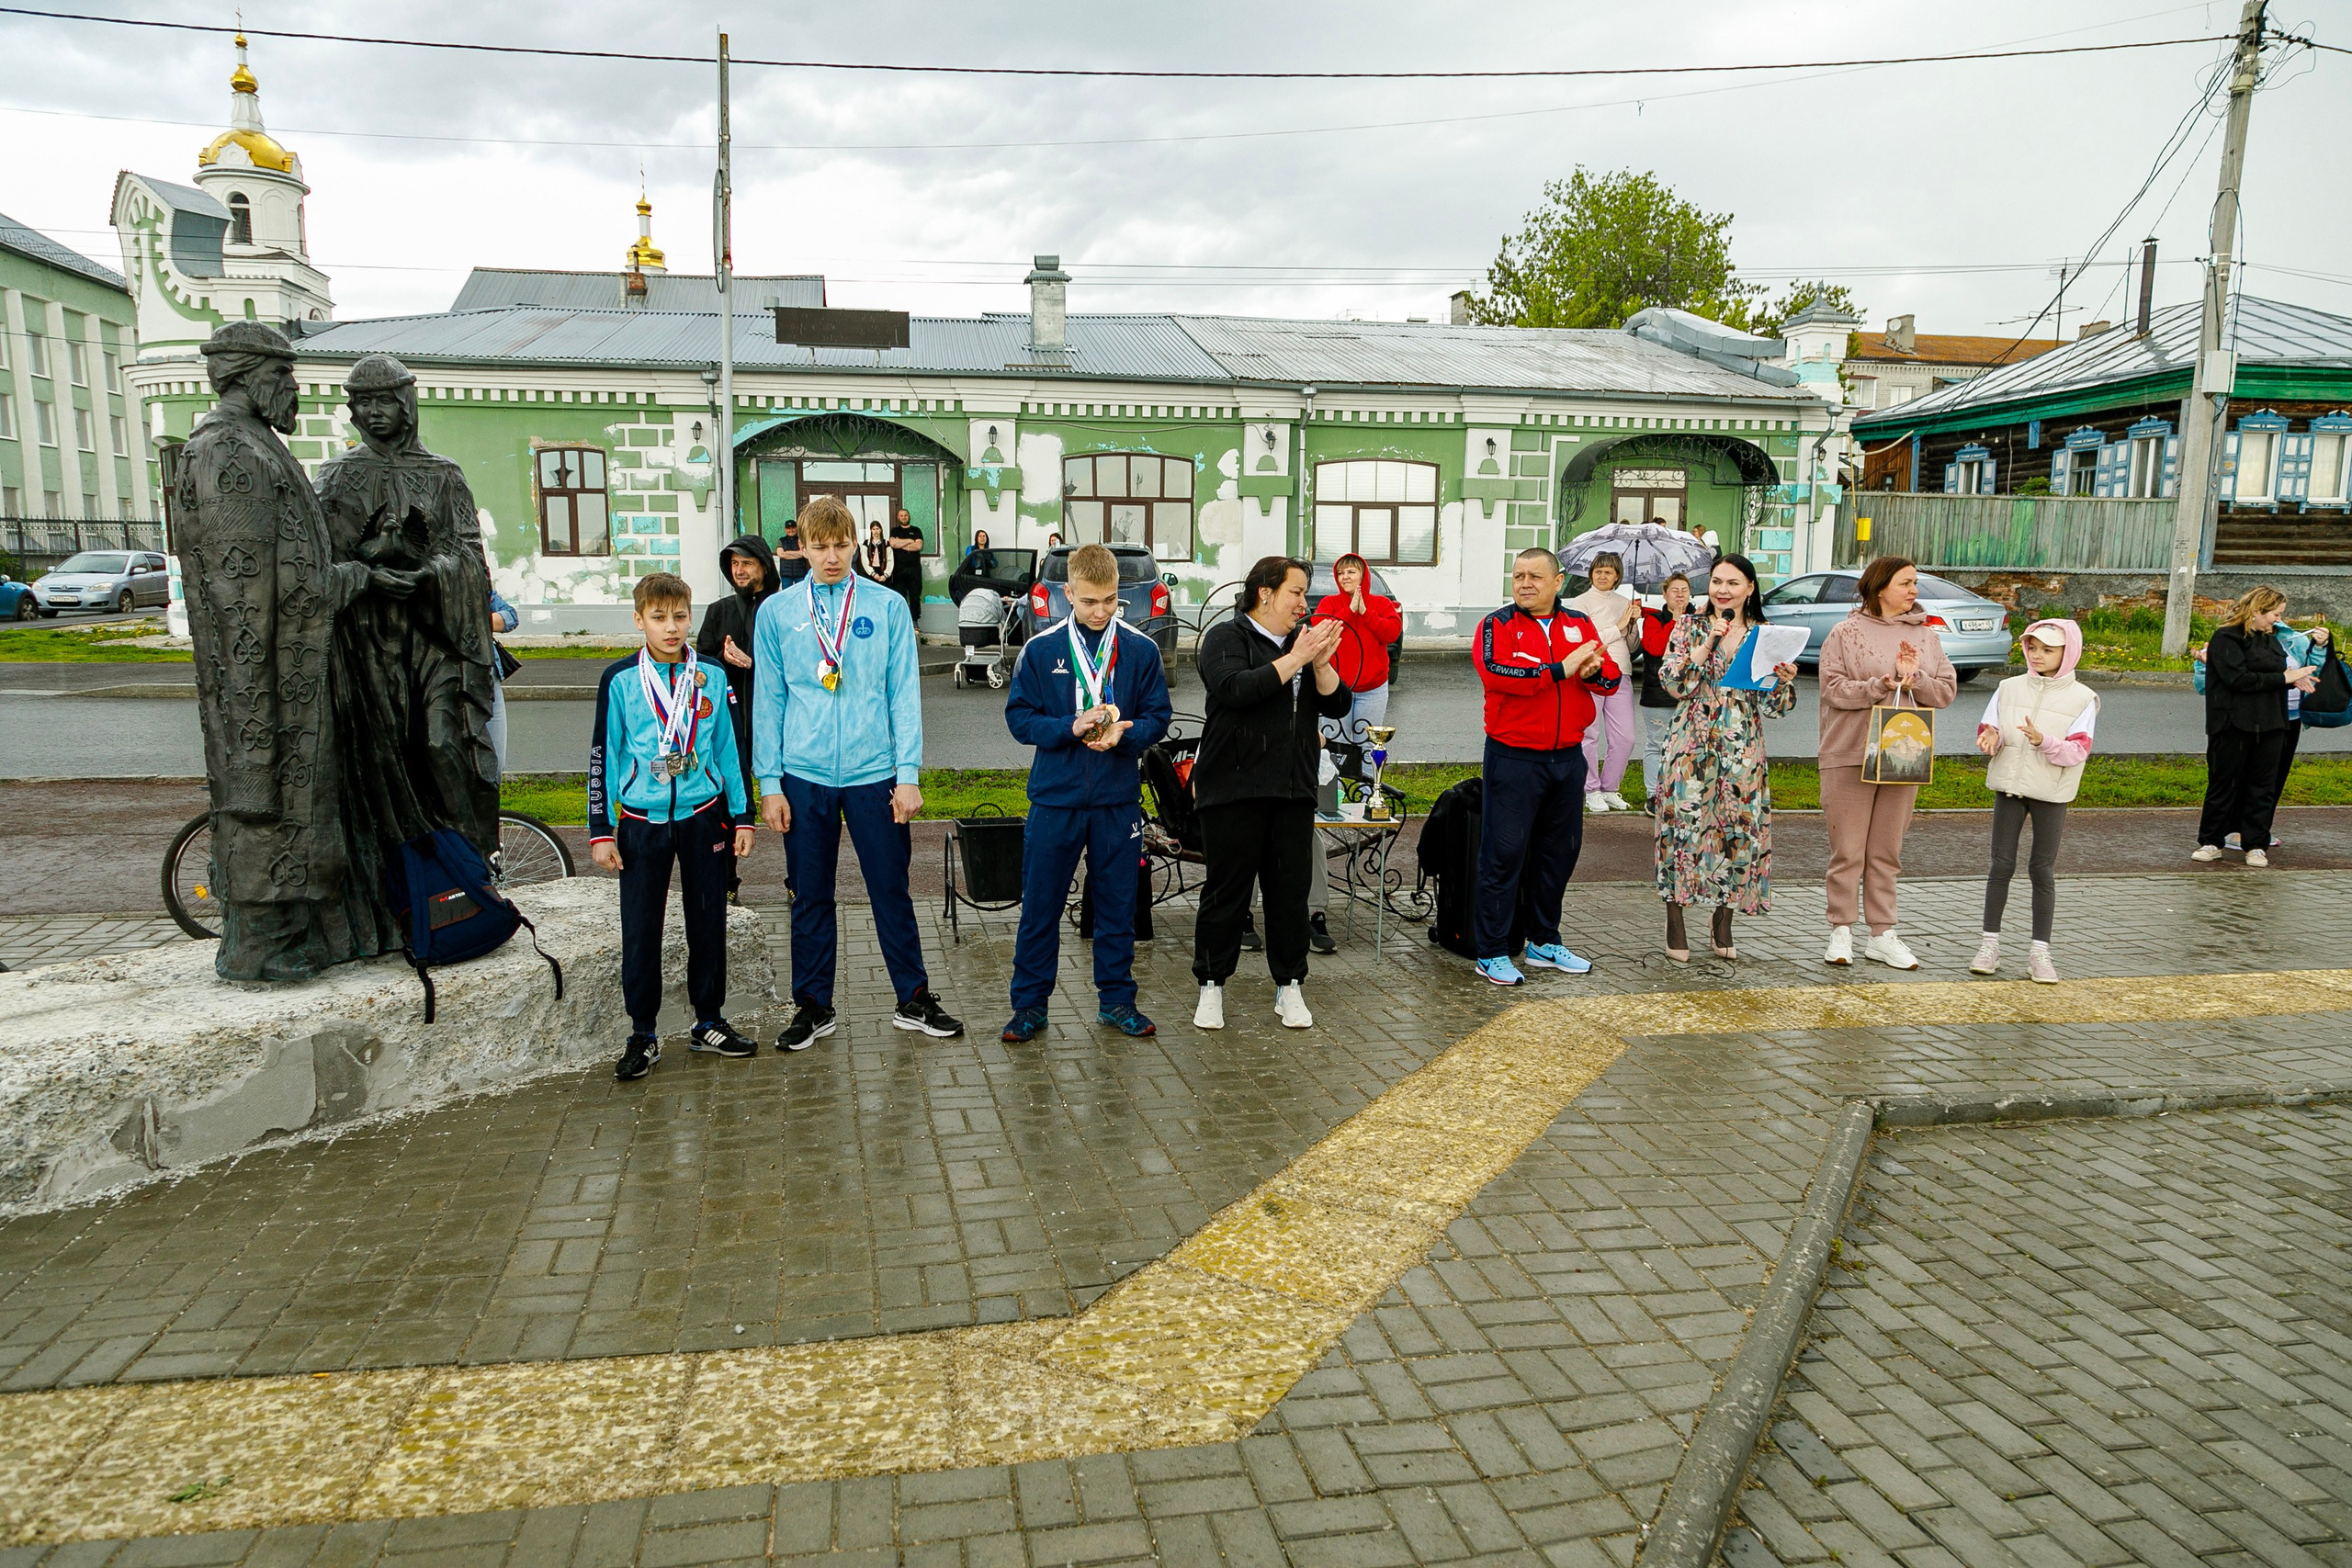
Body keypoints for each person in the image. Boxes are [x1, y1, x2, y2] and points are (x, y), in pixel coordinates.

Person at [753, 496, 963, 1047]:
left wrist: (908, 772)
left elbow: (903, 695)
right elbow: (769, 701)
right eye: (819, 547)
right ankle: (813, 1006)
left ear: (856, 544)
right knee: (810, 893)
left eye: (841, 545)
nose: (831, 557)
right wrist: (769, 784)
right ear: (801, 547)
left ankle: (913, 999)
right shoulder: (776, 613)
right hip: (804, 773)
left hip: (875, 774)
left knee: (890, 887)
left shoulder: (888, 606)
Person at [587, 572, 759, 1081]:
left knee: (708, 923)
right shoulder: (619, 680)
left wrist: (742, 815)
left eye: (679, 617)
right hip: (641, 822)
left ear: (690, 617)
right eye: (658, 618)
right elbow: (604, 755)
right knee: (641, 930)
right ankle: (643, 1032)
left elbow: (730, 749)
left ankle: (709, 1021)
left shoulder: (710, 673)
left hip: (704, 817)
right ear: (639, 620)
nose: (671, 628)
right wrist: (600, 830)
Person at [1000, 544, 1174, 1042]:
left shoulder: (1140, 650)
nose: (1100, 612)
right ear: (1067, 593)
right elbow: (1019, 719)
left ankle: (1117, 1001)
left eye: (1111, 601)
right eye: (1089, 601)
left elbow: (1160, 717)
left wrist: (1129, 731)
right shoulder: (1040, 649)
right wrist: (1068, 726)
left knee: (1118, 908)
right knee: (1040, 907)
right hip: (1055, 800)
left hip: (1117, 802)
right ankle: (1030, 1006)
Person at [1190, 556, 1351, 1031]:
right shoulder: (1226, 637)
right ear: (1265, 593)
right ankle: (1212, 986)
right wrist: (1298, 657)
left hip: (1293, 789)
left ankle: (1290, 985)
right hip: (1233, 789)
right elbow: (1236, 689)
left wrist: (1320, 663)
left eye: (1304, 595)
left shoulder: (1302, 645)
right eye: (1296, 593)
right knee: (1227, 893)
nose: (1305, 603)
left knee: (1288, 893)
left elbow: (1337, 703)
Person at [1470, 547, 1619, 987]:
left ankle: (1543, 941)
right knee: (1504, 854)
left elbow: (1609, 679)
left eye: (1535, 576)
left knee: (1559, 854)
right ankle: (1492, 951)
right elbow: (1496, 673)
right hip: (1514, 758)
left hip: (1568, 759)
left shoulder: (1579, 624)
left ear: (1558, 583)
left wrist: (1589, 672)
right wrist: (1560, 669)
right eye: (1518, 576)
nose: (1524, 584)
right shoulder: (1497, 625)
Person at [1653, 555, 1797, 963]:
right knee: (1683, 831)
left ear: (1749, 588)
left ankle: (1723, 920)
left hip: (1742, 749)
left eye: (1733, 583)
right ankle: (1675, 918)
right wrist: (1707, 644)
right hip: (1690, 744)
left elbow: (1777, 707)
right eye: (1716, 581)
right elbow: (1673, 683)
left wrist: (1783, 683)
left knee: (1738, 831)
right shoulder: (1689, 626)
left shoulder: (1765, 635)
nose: (1723, 590)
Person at [1817, 556, 1958, 969]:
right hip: (1849, 754)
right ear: (1880, 588)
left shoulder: (1927, 638)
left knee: (1886, 850)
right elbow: (1833, 690)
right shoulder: (1845, 632)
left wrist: (1917, 680)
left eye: (1915, 583)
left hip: (1903, 755)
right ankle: (1841, 930)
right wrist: (1883, 684)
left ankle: (1882, 934)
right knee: (1848, 850)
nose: (1914, 590)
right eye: (1906, 583)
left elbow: (1945, 692)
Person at [1971, 619, 2098, 983]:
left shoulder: (2083, 698)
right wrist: (1990, 739)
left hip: (2051, 793)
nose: (2038, 655)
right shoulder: (2007, 688)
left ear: (2068, 651)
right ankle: (1989, 945)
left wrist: (2044, 741)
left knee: (2042, 869)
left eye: (2048, 649)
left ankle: (2040, 953)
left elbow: (2078, 751)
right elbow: (1989, 728)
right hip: (2009, 788)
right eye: (2032, 648)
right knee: (2001, 865)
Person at [2194, 586, 2316, 867]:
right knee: (2224, 783)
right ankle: (2211, 841)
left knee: (2263, 786)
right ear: (2257, 610)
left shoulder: (2271, 639)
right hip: (2232, 724)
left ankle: (2255, 845)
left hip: (2272, 723)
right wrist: (2285, 678)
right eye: (2275, 613)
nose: (2278, 619)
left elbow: (2278, 672)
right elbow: (2240, 680)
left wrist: (2294, 678)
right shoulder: (2226, 637)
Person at [696, 533, 780, 898]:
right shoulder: (719, 611)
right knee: (729, 802)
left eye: (746, 563)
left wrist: (756, 664)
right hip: (729, 725)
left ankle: (798, 883)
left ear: (763, 565)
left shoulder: (783, 607)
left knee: (788, 804)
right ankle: (727, 883)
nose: (739, 570)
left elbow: (800, 663)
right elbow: (698, 663)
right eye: (733, 564)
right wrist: (721, 659)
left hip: (777, 724)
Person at [1568, 551, 1643, 813]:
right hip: (1591, 673)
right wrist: (1619, 624)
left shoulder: (1624, 602)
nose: (1602, 576)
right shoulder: (1580, 603)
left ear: (1617, 577)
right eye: (1598, 571)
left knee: (1625, 737)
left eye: (1608, 572)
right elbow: (1585, 640)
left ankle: (1610, 788)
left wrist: (1632, 625)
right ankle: (1590, 789)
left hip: (1621, 672)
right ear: (1591, 574)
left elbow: (1632, 646)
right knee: (1589, 734)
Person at [1313, 552, 1403, 748]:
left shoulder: (1381, 604)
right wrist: (1349, 611)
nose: (1345, 577)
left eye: (1351, 572)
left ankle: (1367, 780)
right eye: (1340, 573)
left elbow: (1391, 634)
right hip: (1335, 688)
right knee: (1335, 744)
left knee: (1368, 745)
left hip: (1372, 690)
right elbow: (1322, 630)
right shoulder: (1329, 603)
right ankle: (1334, 780)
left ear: (1363, 576)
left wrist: (1364, 612)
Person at [1637, 572, 1697, 806]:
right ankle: (1654, 794)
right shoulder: (1655, 620)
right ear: (1664, 594)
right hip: (1658, 695)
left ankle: (1683, 793)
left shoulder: (1700, 618)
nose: (1680, 595)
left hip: (1691, 693)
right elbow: (1655, 648)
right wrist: (1675, 621)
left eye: (1684, 590)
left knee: (1689, 746)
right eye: (1675, 590)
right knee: (1657, 744)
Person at [487, 586, 519, 776]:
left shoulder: (479, 582)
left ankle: (488, 804)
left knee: (495, 761)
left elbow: (511, 617)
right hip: (446, 676)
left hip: (489, 677)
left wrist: (478, 619)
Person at [888, 506, 926, 622]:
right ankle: (903, 620)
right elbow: (893, 544)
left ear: (909, 517)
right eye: (901, 516)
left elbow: (919, 546)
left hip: (914, 569)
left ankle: (914, 621)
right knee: (900, 596)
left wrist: (901, 543)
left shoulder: (916, 530)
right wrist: (910, 541)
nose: (904, 517)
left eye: (905, 515)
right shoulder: (895, 531)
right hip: (899, 569)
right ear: (898, 517)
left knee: (915, 596)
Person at [774, 515, 808, 584]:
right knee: (786, 594)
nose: (791, 530)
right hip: (786, 575)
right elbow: (781, 554)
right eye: (788, 528)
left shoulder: (801, 539)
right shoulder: (781, 540)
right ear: (785, 529)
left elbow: (804, 554)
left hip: (800, 573)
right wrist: (798, 554)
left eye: (793, 528)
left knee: (801, 594)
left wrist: (786, 553)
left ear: (796, 528)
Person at [857, 520, 893, 584]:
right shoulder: (866, 543)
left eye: (877, 529)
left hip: (883, 573)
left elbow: (890, 560)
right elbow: (864, 560)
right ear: (871, 530)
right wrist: (872, 573)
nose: (875, 531)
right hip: (870, 574)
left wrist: (886, 574)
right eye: (873, 529)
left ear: (881, 530)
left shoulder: (886, 543)